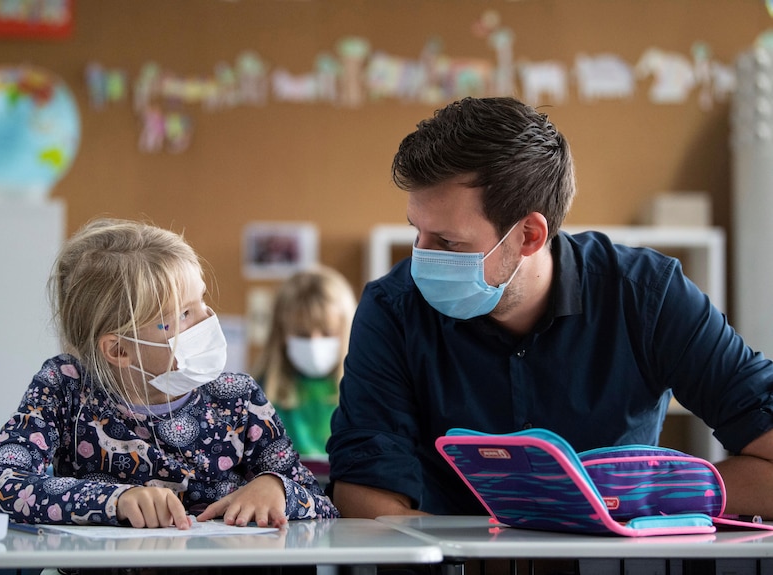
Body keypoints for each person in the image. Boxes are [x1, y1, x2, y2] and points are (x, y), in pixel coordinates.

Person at [327, 96, 773, 519]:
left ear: (529, 236)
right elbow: (364, 493)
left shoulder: (647, 297)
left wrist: (651, 490)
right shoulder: (393, 308)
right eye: (417, 232)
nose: (421, 258)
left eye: (448, 242)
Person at [0, 218, 338, 529]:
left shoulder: (238, 398)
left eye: (201, 302)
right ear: (118, 349)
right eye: (180, 316)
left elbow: (324, 508)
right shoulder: (65, 386)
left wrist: (277, 488)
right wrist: (116, 501)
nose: (207, 320)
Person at [252, 266, 357, 459]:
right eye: (302, 334)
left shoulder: (364, 393)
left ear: (346, 330)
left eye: (327, 332)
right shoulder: (258, 395)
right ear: (281, 333)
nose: (315, 343)